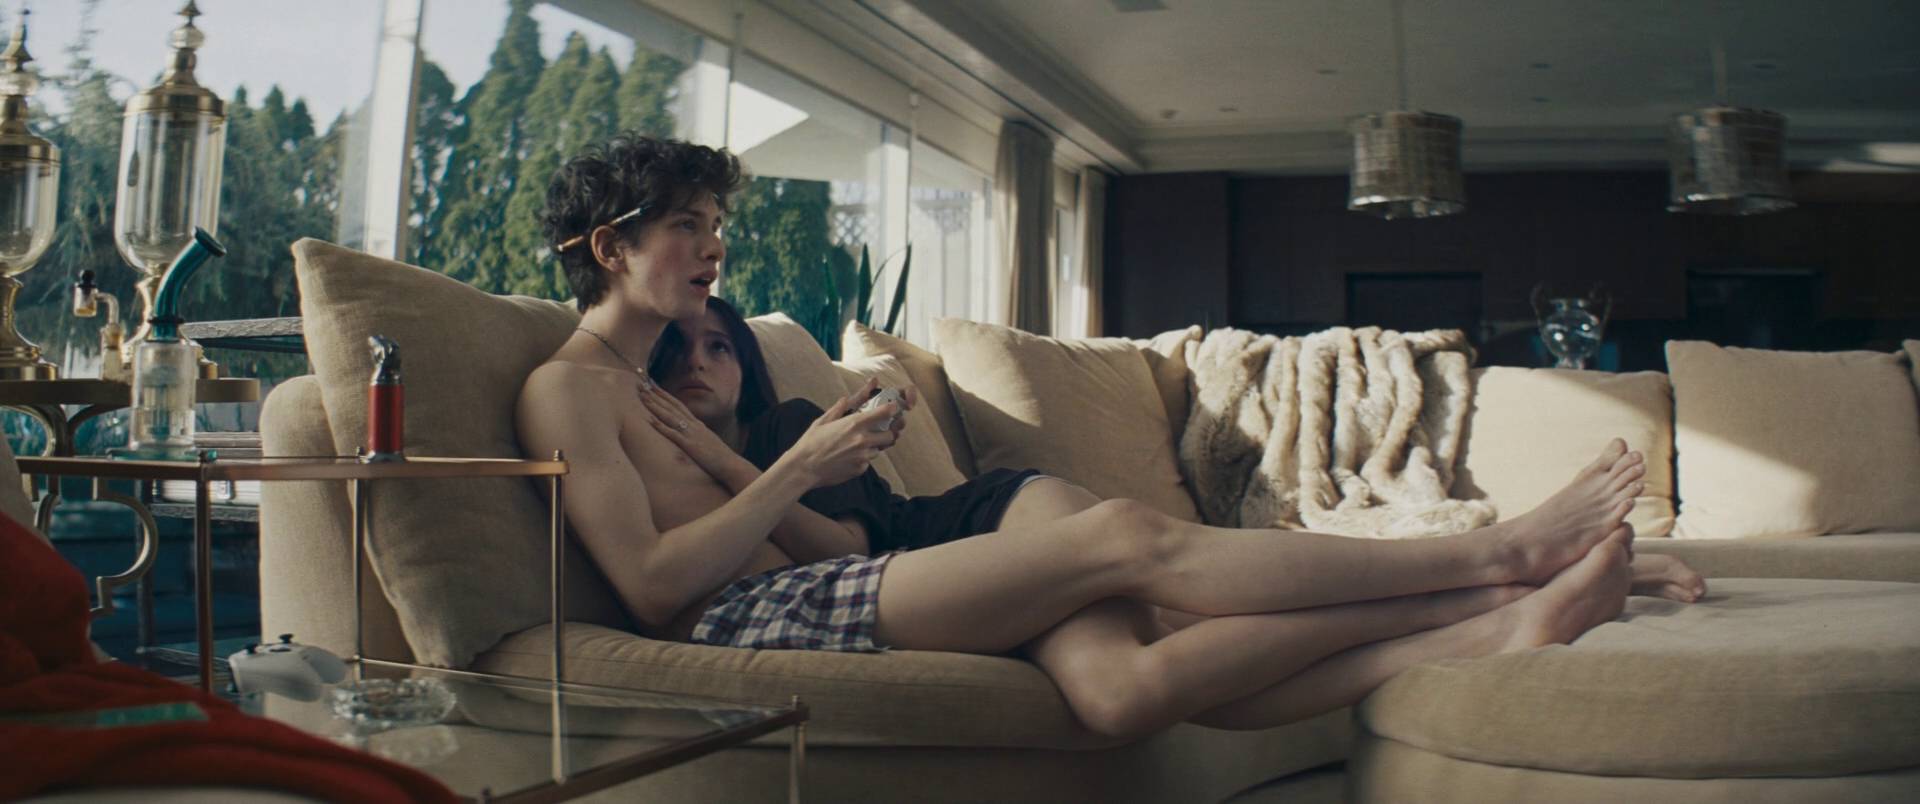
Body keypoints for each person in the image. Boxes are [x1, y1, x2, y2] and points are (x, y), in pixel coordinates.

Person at [518, 133, 1704, 739]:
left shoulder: (648, 384)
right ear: (611, 248)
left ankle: (1498, 621)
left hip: (808, 588)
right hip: (751, 618)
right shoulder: (568, 391)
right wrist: (790, 470)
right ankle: (1499, 556)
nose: (714, 247)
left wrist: (774, 471)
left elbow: (777, 541)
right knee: (1129, 538)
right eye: (687, 226)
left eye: (714, 223)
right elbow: (655, 587)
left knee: (1123, 693)